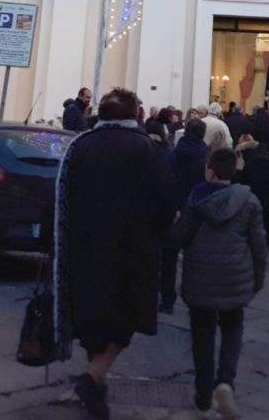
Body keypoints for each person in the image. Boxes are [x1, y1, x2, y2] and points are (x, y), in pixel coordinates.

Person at [54, 88, 178, 419]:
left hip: (84, 246)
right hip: (131, 250)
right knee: (125, 318)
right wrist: (156, 231)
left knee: (92, 317)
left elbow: (62, 193)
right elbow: (166, 198)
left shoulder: (81, 146)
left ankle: (96, 385)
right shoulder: (146, 149)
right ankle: (93, 378)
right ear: (134, 114)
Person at [170, 147, 267, 418]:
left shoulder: (195, 200)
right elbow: (259, 245)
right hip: (234, 277)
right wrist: (258, 278)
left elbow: (179, 237)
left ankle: (203, 394)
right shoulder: (248, 200)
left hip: (201, 277)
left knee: (202, 335)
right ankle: (225, 382)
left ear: (210, 171)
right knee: (233, 328)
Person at [160, 118, 209, 314]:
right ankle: (196, 299)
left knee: (169, 258)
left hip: (175, 210)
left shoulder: (173, 154)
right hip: (197, 209)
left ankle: (167, 300)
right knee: (196, 258)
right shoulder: (206, 156)